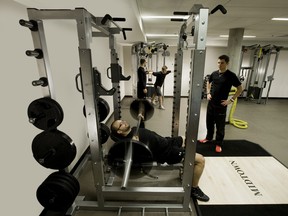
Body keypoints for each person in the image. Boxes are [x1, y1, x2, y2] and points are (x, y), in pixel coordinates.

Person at [110, 118, 210, 202]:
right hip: (166, 153)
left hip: (166, 141)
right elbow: (140, 159)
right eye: (120, 124)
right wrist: (136, 146)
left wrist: (141, 116)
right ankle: (194, 188)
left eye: (122, 120)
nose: (123, 122)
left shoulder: (133, 129)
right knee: (200, 160)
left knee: (186, 139)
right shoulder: (129, 144)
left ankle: (186, 168)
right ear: (119, 131)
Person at [199, 55, 243, 153]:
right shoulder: (214, 74)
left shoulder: (231, 75)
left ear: (227, 63)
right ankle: (208, 138)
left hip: (221, 104)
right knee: (209, 122)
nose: (220, 64)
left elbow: (240, 89)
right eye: (218, 62)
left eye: (222, 63)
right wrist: (208, 93)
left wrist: (231, 100)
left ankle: (218, 143)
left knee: (220, 126)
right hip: (211, 103)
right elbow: (208, 82)